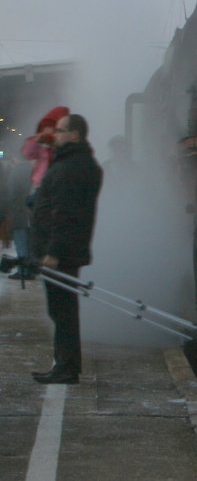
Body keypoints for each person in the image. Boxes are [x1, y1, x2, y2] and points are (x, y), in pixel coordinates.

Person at [30, 113, 103, 385]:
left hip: (60, 253)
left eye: (60, 130)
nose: (55, 134)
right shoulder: (77, 162)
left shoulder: (71, 167)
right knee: (63, 311)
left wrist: (54, 252)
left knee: (63, 312)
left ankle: (66, 368)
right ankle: (64, 365)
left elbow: (66, 214)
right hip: (66, 249)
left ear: (75, 134)